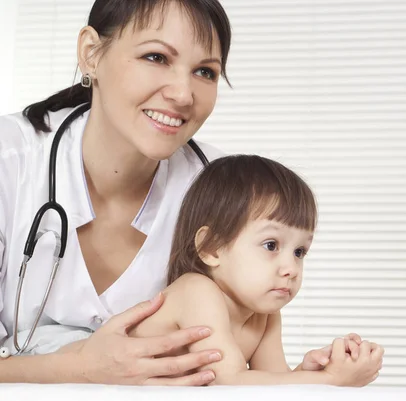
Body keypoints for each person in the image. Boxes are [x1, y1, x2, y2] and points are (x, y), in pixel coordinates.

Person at [0, 0, 337, 385]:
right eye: (156, 56)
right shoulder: (9, 161)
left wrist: (308, 377)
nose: (182, 94)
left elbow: (241, 361)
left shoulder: (227, 194)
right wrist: (78, 369)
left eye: (205, 72)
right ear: (91, 54)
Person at [128, 154, 385, 386]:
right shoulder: (196, 291)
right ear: (212, 248)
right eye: (271, 245)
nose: (291, 268)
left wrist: (316, 371)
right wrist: (329, 381)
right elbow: (227, 382)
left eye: (299, 252)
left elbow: (269, 384)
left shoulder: (264, 314)